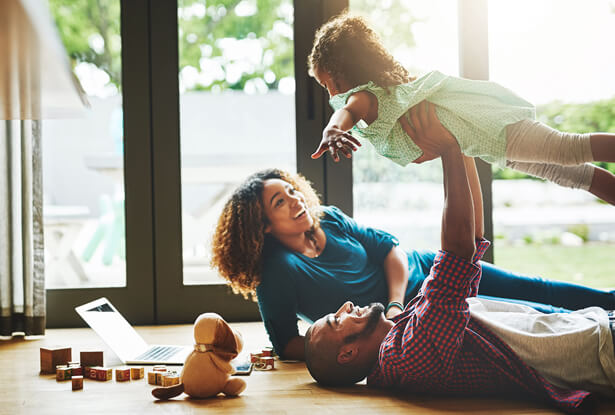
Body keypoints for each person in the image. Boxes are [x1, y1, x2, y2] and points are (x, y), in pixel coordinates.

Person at [210, 106, 615, 362]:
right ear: (261, 225)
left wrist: (393, 304)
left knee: (539, 289)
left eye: (292, 190)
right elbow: (288, 344)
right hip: (421, 320)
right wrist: (366, 350)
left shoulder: (327, 219)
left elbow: (391, 250)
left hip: (429, 273)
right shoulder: (277, 271)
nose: (296, 199)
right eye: (280, 202)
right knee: (533, 319)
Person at [304, 114, 615, 413]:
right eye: (336, 320)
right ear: (347, 354)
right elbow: (456, 253)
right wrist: (448, 149)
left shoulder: (403, 332)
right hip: (601, 351)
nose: (345, 305)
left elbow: (472, 239)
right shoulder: (406, 355)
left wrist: (461, 147)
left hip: (594, 328)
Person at [307, 11, 615, 206]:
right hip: (489, 142)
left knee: (567, 148)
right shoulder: (389, 94)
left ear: (343, 70)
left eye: (327, 84)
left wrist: (333, 130)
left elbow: (346, 113)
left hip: (492, 127)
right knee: (572, 174)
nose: (330, 93)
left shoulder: (365, 98)